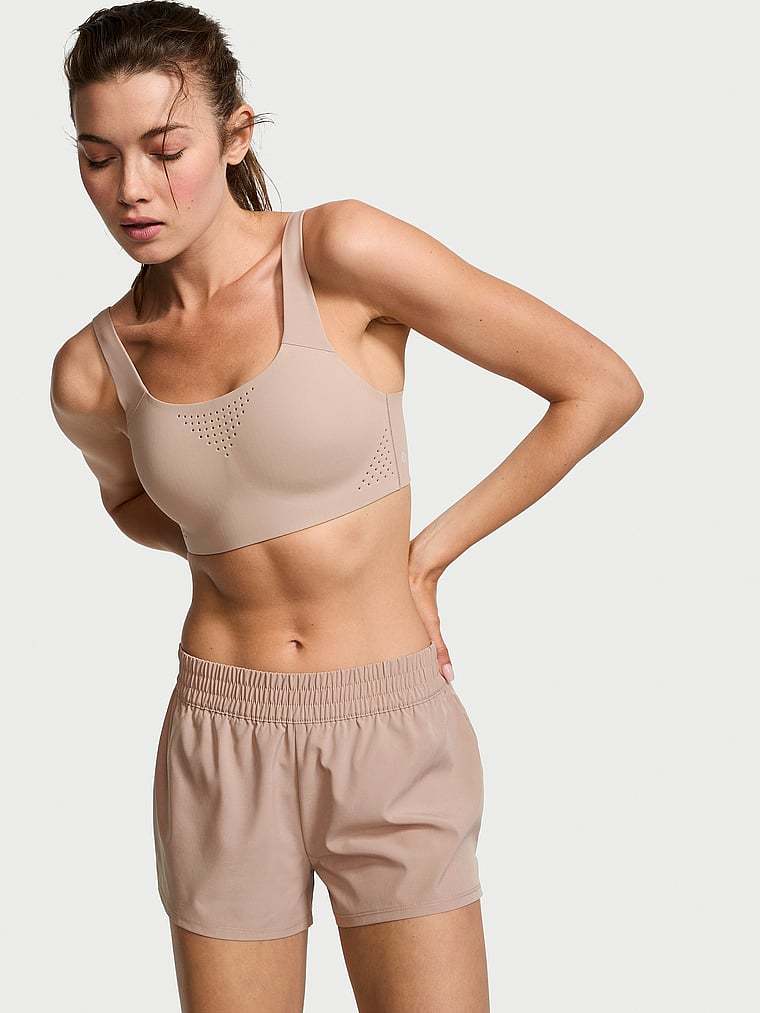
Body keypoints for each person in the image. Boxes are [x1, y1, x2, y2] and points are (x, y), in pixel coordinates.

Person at [49, 3, 643, 1011]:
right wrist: (236, 544)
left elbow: (597, 386)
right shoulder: (94, 369)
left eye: (165, 149)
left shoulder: (338, 252)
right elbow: (132, 503)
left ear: (236, 135)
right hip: (222, 736)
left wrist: (427, 556)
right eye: (98, 157)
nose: (131, 189)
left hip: (388, 724)